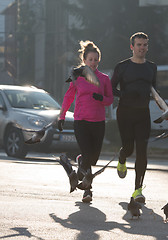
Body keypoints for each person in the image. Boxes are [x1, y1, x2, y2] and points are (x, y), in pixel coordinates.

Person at [58, 40, 113, 203]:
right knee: (89, 153)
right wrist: (61, 116)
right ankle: (87, 191)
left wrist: (101, 98)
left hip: (98, 122)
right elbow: (68, 97)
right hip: (81, 121)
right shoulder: (77, 77)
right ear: (84, 60)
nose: (93, 63)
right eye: (90, 60)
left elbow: (110, 100)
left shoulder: (104, 79)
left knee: (93, 158)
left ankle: (81, 163)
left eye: (96, 60)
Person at [111, 32, 157, 203]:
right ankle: (122, 158)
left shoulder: (152, 67)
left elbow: (154, 90)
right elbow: (110, 88)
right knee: (129, 149)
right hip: (125, 113)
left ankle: (138, 190)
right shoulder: (122, 66)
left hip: (143, 113)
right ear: (132, 47)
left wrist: (163, 106)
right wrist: (125, 94)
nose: (142, 48)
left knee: (142, 152)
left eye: (145, 45)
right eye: (139, 45)